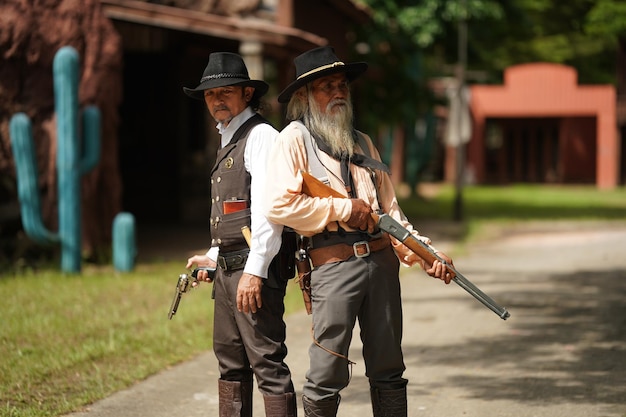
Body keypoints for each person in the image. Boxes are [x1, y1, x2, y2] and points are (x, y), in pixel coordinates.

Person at [263, 46, 455, 417]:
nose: (338, 92)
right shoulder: (292, 139)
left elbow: (392, 213)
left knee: (389, 367)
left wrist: (425, 254)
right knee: (326, 370)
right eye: (326, 86)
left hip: (382, 263)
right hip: (332, 265)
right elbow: (279, 206)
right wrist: (342, 207)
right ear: (304, 97)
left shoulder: (363, 142)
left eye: (342, 85)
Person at [183, 52, 297, 417]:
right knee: (230, 365)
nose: (217, 100)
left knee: (267, 364)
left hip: (253, 272)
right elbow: (239, 212)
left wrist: (255, 270)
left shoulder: (261, 135)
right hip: (230, 269)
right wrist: (214, 256)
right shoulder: (228, 136)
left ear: (247, 94)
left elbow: (268, 212)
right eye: (210, 94)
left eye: (226, 91)